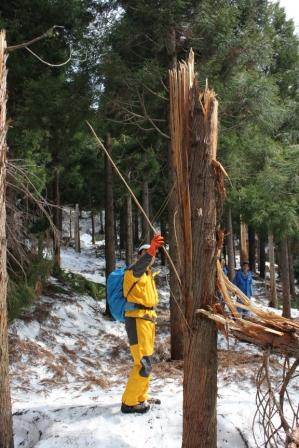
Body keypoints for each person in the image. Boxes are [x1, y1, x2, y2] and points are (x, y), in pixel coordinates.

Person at [121, 233, 164, 414]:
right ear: (140, 256)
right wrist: (152, 249)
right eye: (146, 253)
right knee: (142, 363)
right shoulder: (133, 271)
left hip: (147, 320)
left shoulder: (148, 275)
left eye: (152, 253)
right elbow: (140, 265)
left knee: (147, 361)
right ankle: (129, 403)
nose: (150, 256)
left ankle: (141, 397)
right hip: (137, 320)